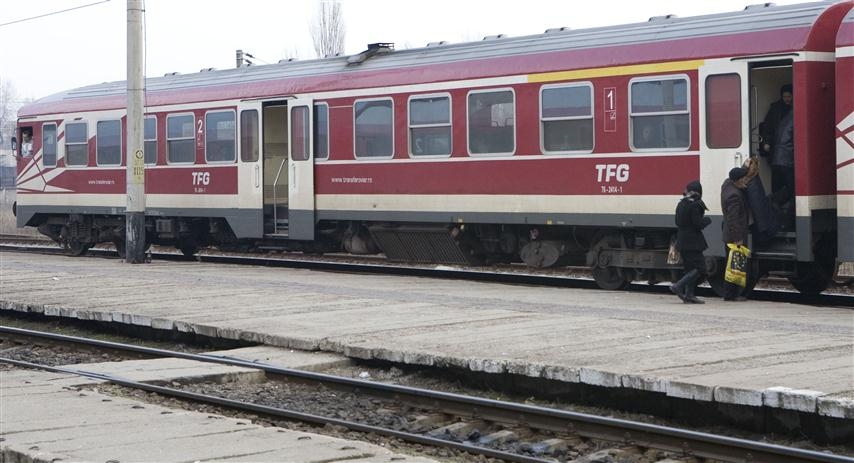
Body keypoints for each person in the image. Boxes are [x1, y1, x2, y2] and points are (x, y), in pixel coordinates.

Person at [670, 180, 712, 304]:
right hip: (693, 242)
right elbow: (698, 224)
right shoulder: (695, 204)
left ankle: (689, 295)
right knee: (701, 268)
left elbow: (677, 222)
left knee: (689, 269)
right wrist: (707, 220)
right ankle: (678, 286)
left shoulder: (681, 203)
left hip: (682, 240)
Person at [721, 167, 751, 301]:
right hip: (734, 236)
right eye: (744, 178)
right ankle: (730, 295)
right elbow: (733, 219)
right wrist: (738, 238)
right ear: (738, 180)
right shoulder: (734, 195)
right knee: (734, 266)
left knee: (732, 264)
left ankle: (731, 294)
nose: (746, 180)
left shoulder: (727, 186)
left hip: (729, 234)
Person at [770, 109, 795, 229]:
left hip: (777, 160)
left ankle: (773, 201)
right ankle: (787, 222)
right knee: (795, 193)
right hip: (787, 160)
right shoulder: (796, 118)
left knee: (787, 191)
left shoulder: (785, 118)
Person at [759, 84, 793, 157]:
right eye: (784, 97)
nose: (787, 99)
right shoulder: (775, 109)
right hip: (776, 144)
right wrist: (766, 142)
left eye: (789, 97)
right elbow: (768, 126)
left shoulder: (796, 107)